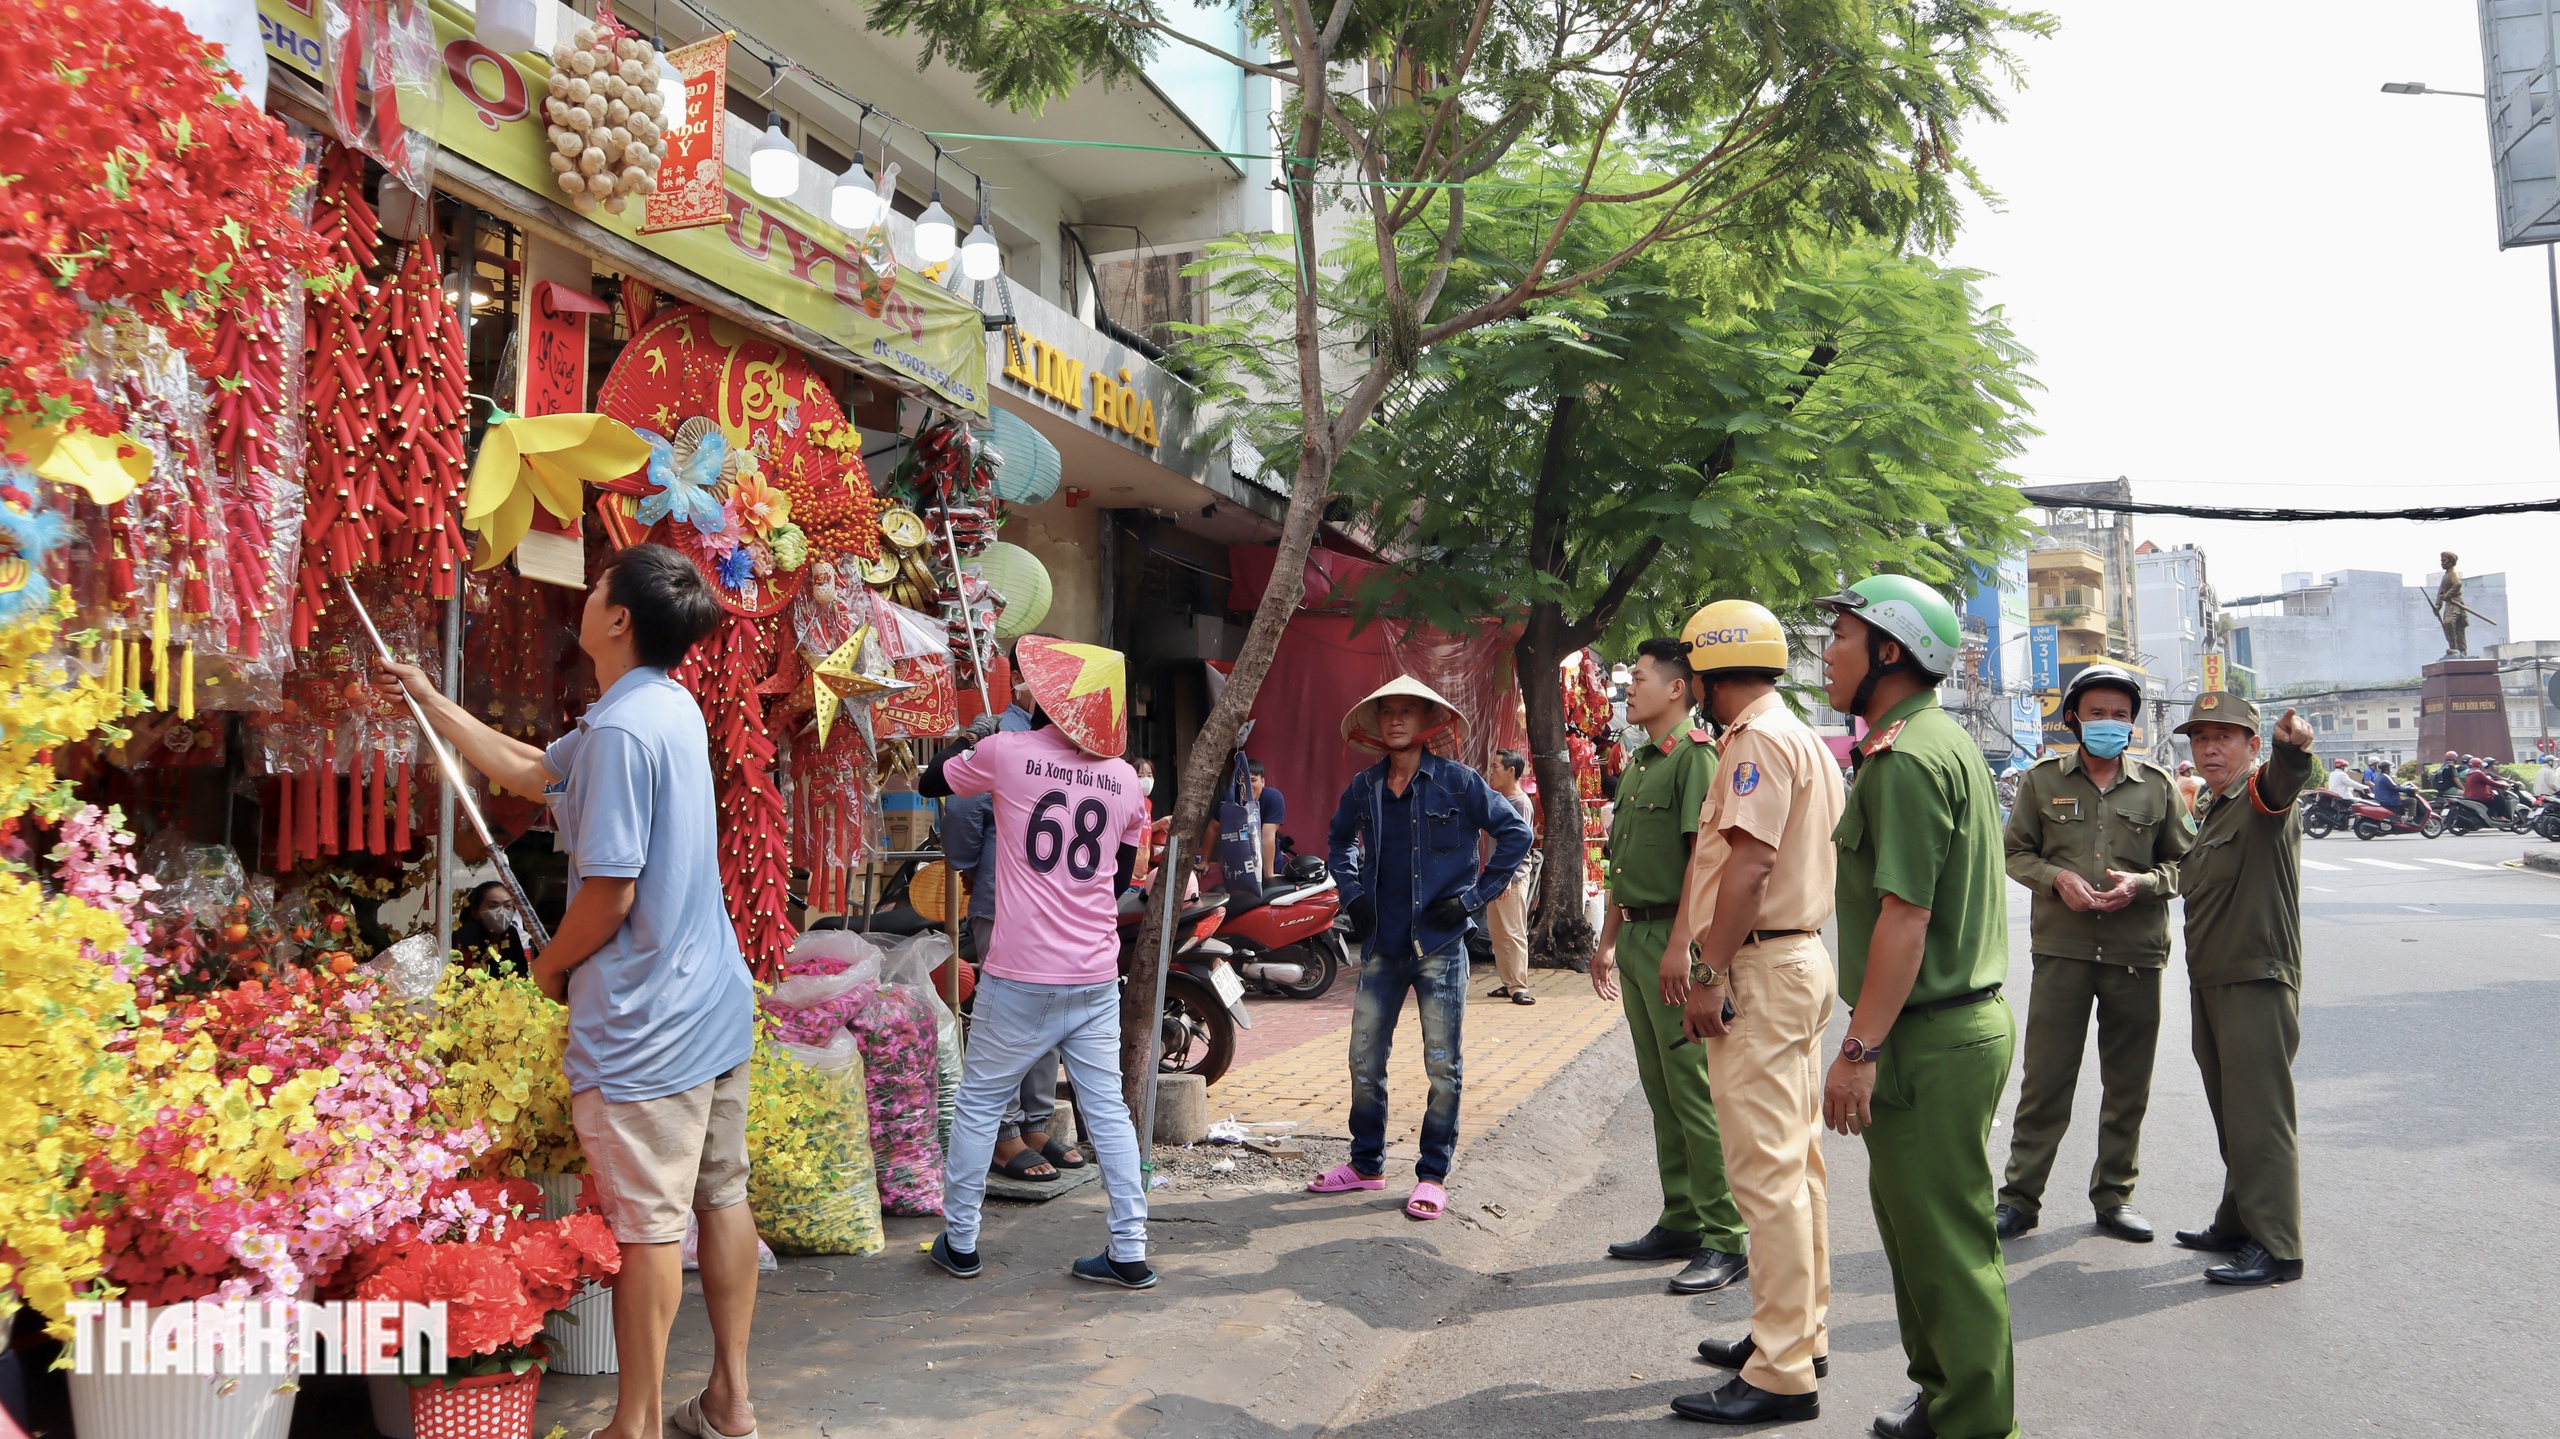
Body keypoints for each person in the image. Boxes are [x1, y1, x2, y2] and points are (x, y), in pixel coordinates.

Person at [379, 543, 757, 1439]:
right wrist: (436, 706)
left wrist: (551, 968)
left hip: (649, 1020)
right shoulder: (656, 710)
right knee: (720, 1197)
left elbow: (610, 887)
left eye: (596, 589)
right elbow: (534, 768)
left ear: (619, 618)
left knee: (650, 1228)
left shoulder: (624, 729)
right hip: (711, 1002)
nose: (584, 597)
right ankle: (730, 1402)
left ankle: (632, 1426)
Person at [1815, 575, 2016, 1439]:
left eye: (1843, 638)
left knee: (1947, 1246)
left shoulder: (1906, 759)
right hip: (1928, 1028)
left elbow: (1906, 918)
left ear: (1888, 653)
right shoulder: (1927, 739)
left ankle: (1976, 1422)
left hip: (1926, 1034)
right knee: (1914, 1237)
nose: (1827, 653)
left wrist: (1857, 1051)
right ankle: (1942, 1395)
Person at [923, 635, 1153, 1288]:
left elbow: (931, 779)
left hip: (1019, 972)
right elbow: (1115, 882)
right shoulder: (1125, 780)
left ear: (1048, 699)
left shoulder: (1008, 753)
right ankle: (1129, 1248)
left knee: (978, 1103)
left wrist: (974, 736)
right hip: (1093, 972)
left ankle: (961, 1241)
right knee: (1105, 1108)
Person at [1661, 601, 1843, 1427]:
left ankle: (1781, 1372)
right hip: (1793, 958)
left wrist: (1709, 967)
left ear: (1706, 672)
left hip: (1762, 964)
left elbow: (1747, 870)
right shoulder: (1794, 733)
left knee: (1764, 1177)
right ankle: (1797, 1333)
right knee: (1796, 1166)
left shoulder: (1757, 744)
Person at [1309, 677, 1533, 1220]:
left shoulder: (1459, 783)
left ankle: (1432, 1175)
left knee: (1442, 1065)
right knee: (1364, 1059)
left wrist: (1473, 900)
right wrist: (1352, 891)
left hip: (1441, 945)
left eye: (1407, 711)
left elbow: (1517, 836)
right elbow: (1339, 839)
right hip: (1382, 946)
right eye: (1386, 711)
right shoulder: (1364, 787)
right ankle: (1366, 1165)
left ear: (1427, 720)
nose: (1395, 720)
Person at [1992, 665, 2191, 1249]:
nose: (2109, 723)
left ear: (2134, 723)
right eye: (2098, 713)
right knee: (2045, 1081)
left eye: (2121, 715)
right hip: (2063, 952)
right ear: (2075, 717)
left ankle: (2115, 1196)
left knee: (2127, 1083)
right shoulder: (2040, 781)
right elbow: (2015, 853)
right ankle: (2020, 1200)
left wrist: (2144, 885)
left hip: (2135, 954)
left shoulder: (2157, 786)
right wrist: (2057, 880)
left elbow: (2187, 864)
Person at [1589, 639, 1748, 1292]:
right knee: (1660, 1090)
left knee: (1694, 1091)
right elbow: (1622, 863)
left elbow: (1703, 865)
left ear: (1678, 689)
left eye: (1641, 679)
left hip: (1673, 944)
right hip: (1635, 939)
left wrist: (1685, 947)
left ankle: (1725, 1233)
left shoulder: (1694, 758)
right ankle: (1681, 1214)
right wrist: (1606, 940)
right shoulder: (1638, 762)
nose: (1629, 687)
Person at [2170, 691, 2317, 1287]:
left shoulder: (2258, 795)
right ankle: (2237, 1221)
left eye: (2224, 736)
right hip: (2215, 979)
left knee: (2261, 1115)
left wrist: (2290, 751)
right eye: (2200, 738)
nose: (2209, 747)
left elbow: (2283, 785)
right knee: (2234, 1112)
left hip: (2255, 979)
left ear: (2252, 746)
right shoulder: (2214, 807)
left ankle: (2277, 1245)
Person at [939, 718, 1081, 1185]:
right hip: (1007, 897)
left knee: (1045, 1019)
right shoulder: (1005, 740)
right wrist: (969, 866)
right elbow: (961, 807)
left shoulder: (1074, 748)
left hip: (1054, 904)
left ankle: (1034, 1125)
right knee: (1008, 1020)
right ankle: (1005, 1134)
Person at [1482, 749, 1538, 1004]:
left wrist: (1506, 877)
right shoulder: (1499, 800)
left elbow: (1520, 845)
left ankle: (1519, 986)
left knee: (1513, 931)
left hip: (1512, 877)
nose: (1491, 772)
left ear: (1511, 771)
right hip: (1495, 876)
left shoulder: (1520, 803)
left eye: (1496, 767)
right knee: (1498, 932)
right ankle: (1508, 982)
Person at [452, 879, 530, 975]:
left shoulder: (510, 933)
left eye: (508, 905)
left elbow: (521, 971)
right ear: (475, 911)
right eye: (493, 906)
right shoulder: (462, 935)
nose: (502, 912)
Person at [1249, 761, 1286, 878]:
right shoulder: (1229, 800)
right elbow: (1213, 828)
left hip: (1269, 862)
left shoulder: (1273, 797)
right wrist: (1205, 861)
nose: (1247, 786)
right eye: (1243, 780)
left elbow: (1267, 835)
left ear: (1263, 781)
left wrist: (1269, 874)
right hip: (1237, 866)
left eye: (1253, 780)